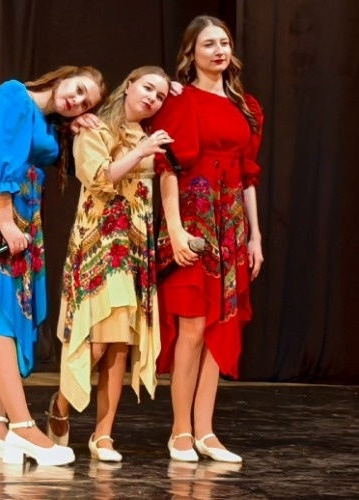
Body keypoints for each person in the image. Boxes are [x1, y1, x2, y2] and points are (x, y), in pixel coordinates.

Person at [0, 66, 107, 466]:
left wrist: (72, 126)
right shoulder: (14, 94)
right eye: (78, 89)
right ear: (63, 76)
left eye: (86, 103)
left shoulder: (44, 120)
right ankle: (23, 426)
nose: (77, 100)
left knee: (0, 318)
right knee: (0, 322)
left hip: (19, 219)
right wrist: (6, 222)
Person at [150, 15, 264, 463]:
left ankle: (206, 431)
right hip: (193, 222)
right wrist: (176, 230)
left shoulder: (246, 106)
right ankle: (180, 430)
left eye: (224, 43)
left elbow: (248, 174)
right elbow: (166, 168)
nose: (219, 51)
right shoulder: (180, 100)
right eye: (209, 44)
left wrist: (255, 236)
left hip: (230, 224)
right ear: (191, 53)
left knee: (222, 322)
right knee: (193, 326)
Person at [46, 66, 173, 462]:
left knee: (120, 342)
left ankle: (103, 434)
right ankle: (60, 407)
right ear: (129, 85)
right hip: (100, 242)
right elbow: (100, 177)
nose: (152, 98)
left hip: (133, 245)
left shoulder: (146, 135)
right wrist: (141, 152)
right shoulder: (95, 127)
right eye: (147, 88)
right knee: (97, 342)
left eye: (160, 96)